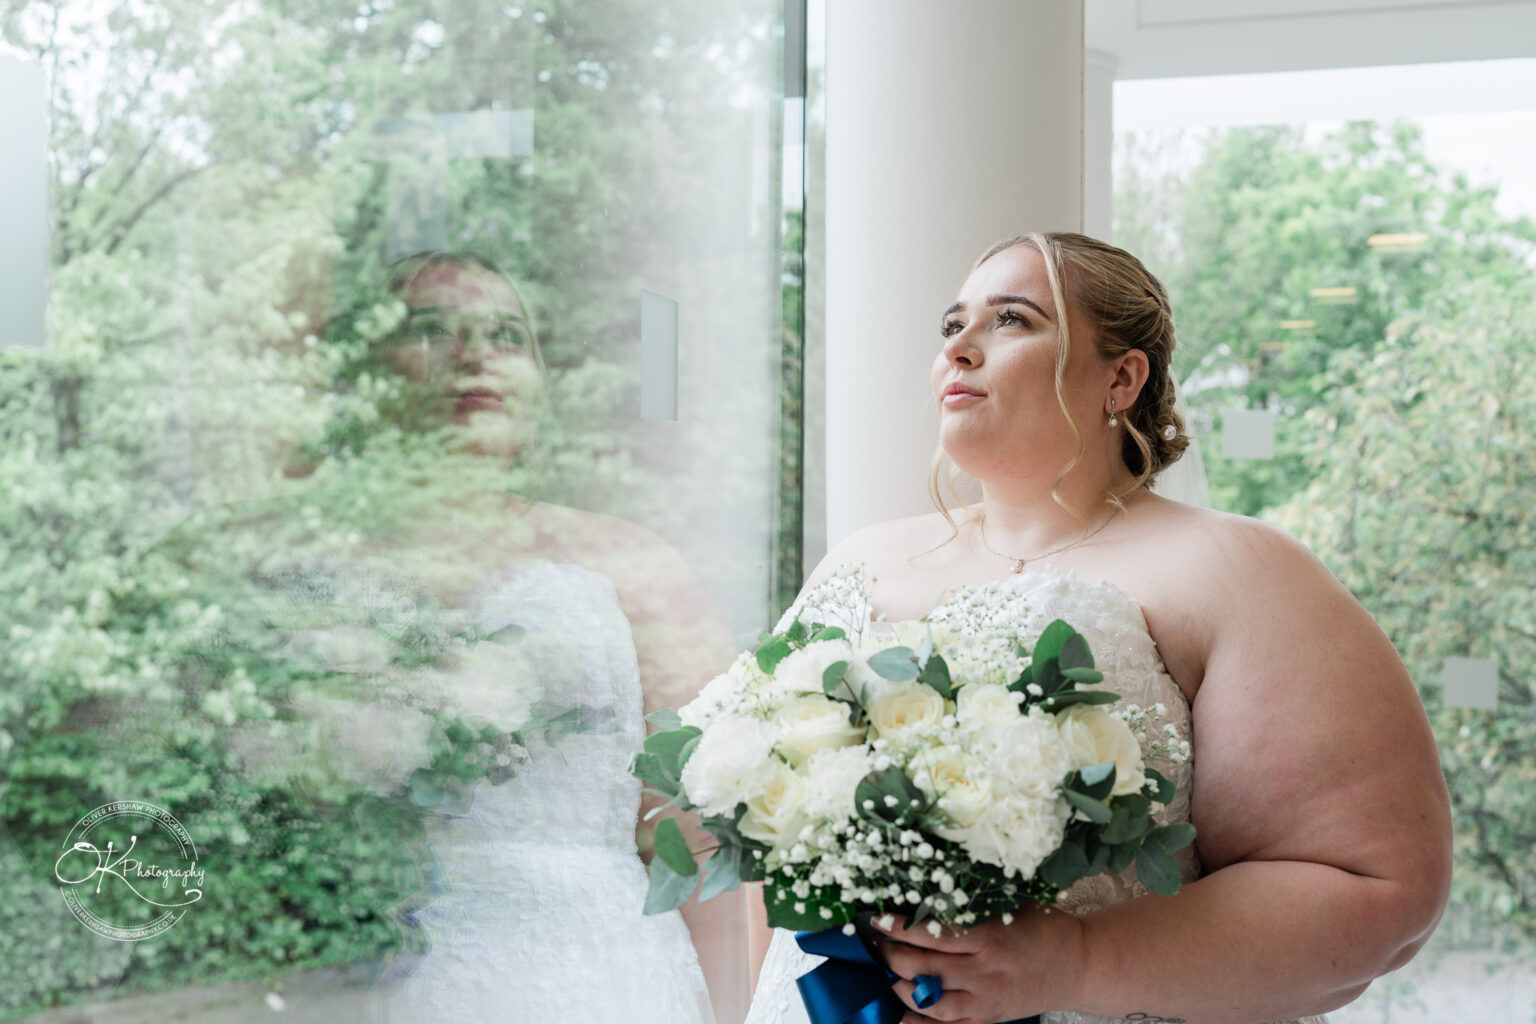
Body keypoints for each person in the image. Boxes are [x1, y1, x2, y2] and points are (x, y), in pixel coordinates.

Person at [744, 232, 1452, 1024]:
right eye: (952, 327)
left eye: (1010, 320)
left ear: (1122, 377)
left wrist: (1079, 961)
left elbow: (1375, 887)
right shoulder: (857, 561)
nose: (961, 350)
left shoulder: (1238, 571)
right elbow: (762, 854)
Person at [162, 250, 747, 1022]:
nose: (473, 355)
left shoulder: (631, 565)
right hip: (352, 974)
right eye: (431, 331)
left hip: (595, 975)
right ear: (366, 378)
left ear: (538, 384)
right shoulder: (287, 569)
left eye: (505, 335)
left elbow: (702, 840)